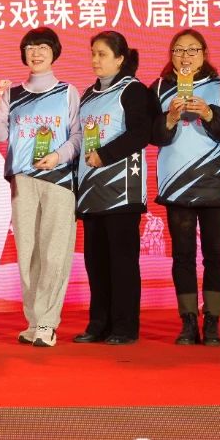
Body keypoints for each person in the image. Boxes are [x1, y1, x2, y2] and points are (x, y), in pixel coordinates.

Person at [0, 26, 81, 348]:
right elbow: (1, 135)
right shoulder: (11, 94)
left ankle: (47, 323)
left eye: (42, 47)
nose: (36, 53)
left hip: (59, 179)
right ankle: (33, 321)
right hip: (23, 180)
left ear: (54, 53)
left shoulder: (68, 92)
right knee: (27, 253)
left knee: (55, 252)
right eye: (30, 48)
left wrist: (58, 156)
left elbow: (77, 136)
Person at [151, 28, 220, 347]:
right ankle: (188, 322)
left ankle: (212, 321)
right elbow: (152, 135)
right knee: (183, 255)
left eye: (192, 50)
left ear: (203, 55)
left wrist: (209, 113)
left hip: (214, 183)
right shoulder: (159, 88)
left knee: (215, 254)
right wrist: (170, 118)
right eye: (178, 50)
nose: (185, 56)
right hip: (176, 184)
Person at [73, 31, 157, 345]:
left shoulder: (132, 90)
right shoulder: (88, 95)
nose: (95, 60)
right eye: (93, 53)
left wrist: (105, 155)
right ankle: (99, 324)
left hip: (122, 191)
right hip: (91, 192)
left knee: (122, 263)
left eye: (102, 54)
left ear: (120, 59)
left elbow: (142, 133)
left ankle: (124, 327)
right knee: (96, 263)